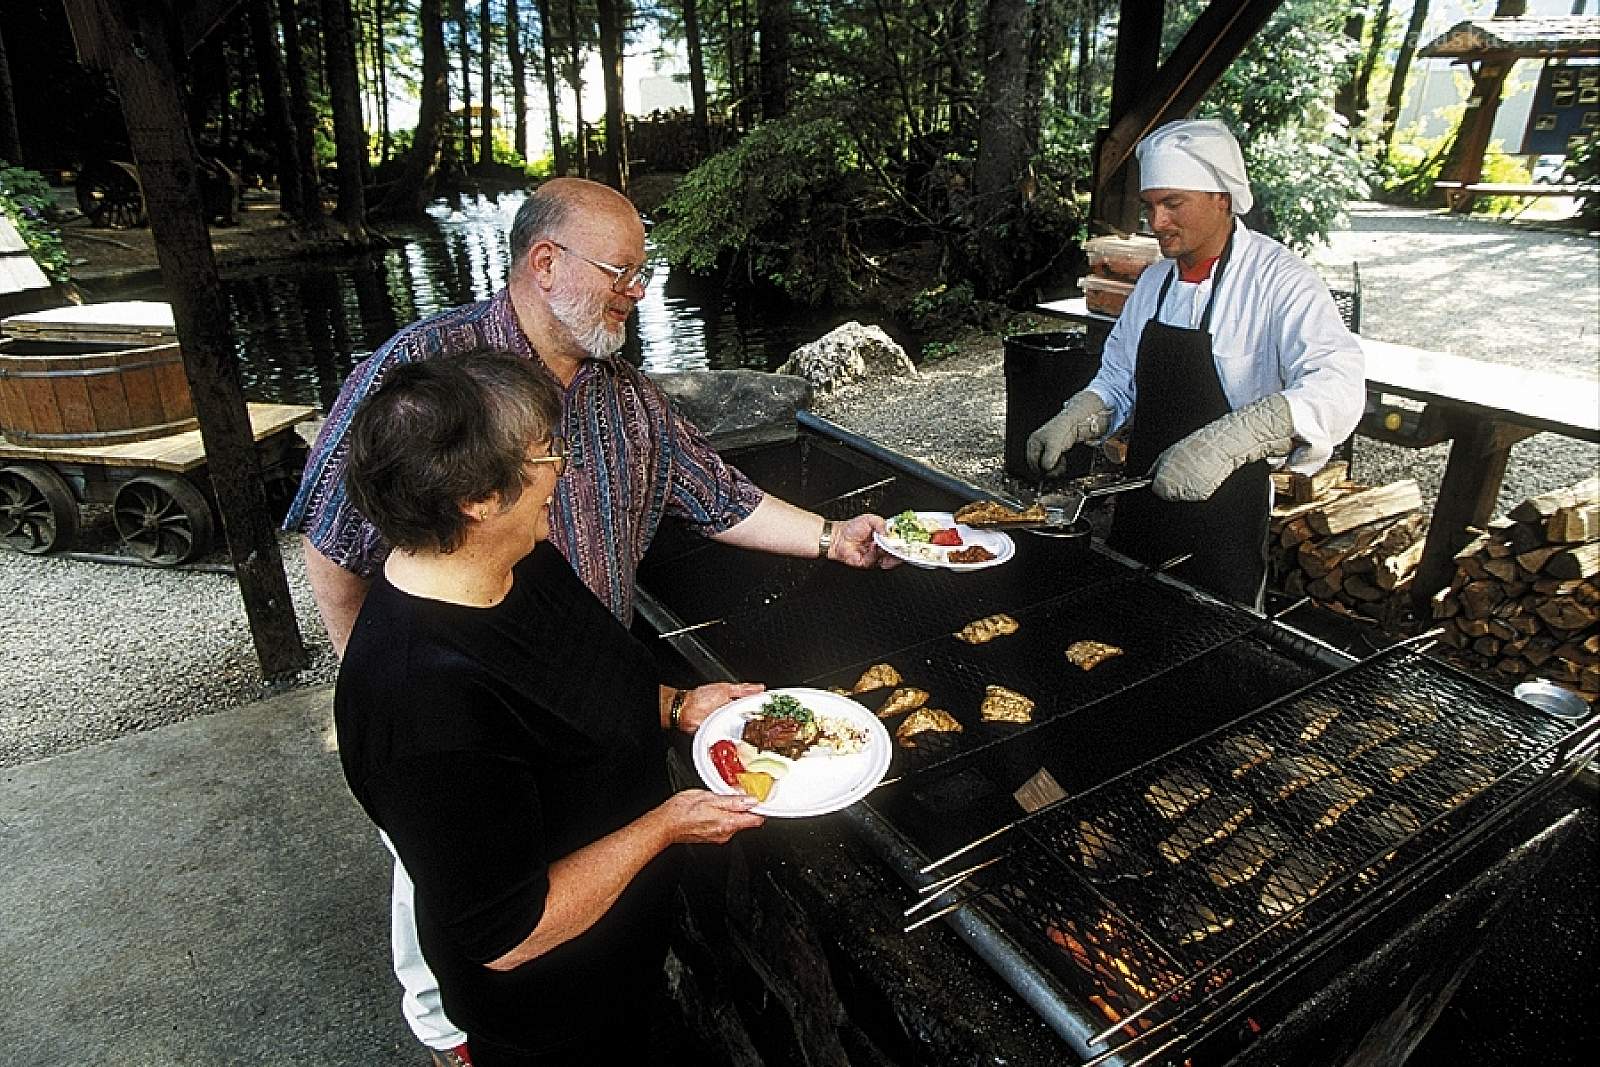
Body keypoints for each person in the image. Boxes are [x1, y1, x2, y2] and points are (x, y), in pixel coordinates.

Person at [284, 176, 898, 1065]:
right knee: (452, 879)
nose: (638, 292)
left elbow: (717, 495)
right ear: (544, 262)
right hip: (471, 717)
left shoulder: (578, 473)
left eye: (645, 272)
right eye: (623, 270)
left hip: (564, 704)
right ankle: (445, 1031)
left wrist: (833, 539)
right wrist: (371, 683)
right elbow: (335, 551)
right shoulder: (428, 378)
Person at [335, 352, 765, 1065]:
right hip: (550, 1016)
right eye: (548, 453)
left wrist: (680, 705)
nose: (563, 466)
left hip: (619, 968)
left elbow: (578, 688)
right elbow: (509, 933)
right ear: (477, 496)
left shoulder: (515, 563)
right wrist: (665, 825)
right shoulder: (420, 705)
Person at [1027, 119, 1364, 607]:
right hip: (1141, 506)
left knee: (1210, 651)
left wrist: (1234, 439)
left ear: (1221, 199)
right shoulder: (1154, 283)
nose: (1156, 222)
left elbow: (1339, 382)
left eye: (1172, 204)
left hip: (1225, 520)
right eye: (1150, 206)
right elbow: (1120, 375)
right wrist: (1078, 416)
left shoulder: (1281, 281)